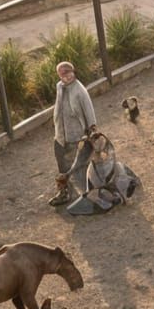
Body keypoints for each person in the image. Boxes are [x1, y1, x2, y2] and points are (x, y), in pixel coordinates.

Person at [50, 61, 98, 206]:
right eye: (63, 73)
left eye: (69, 72)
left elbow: (89, 111)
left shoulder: (80, 90)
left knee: (79, 167)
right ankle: (64, 192)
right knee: (62, 164)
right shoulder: (59, 86)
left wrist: (92, 129)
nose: (67, 76)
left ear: (74, 72)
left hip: (77, 136)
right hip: (60, 135)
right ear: (59, 75)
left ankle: (88, 194)